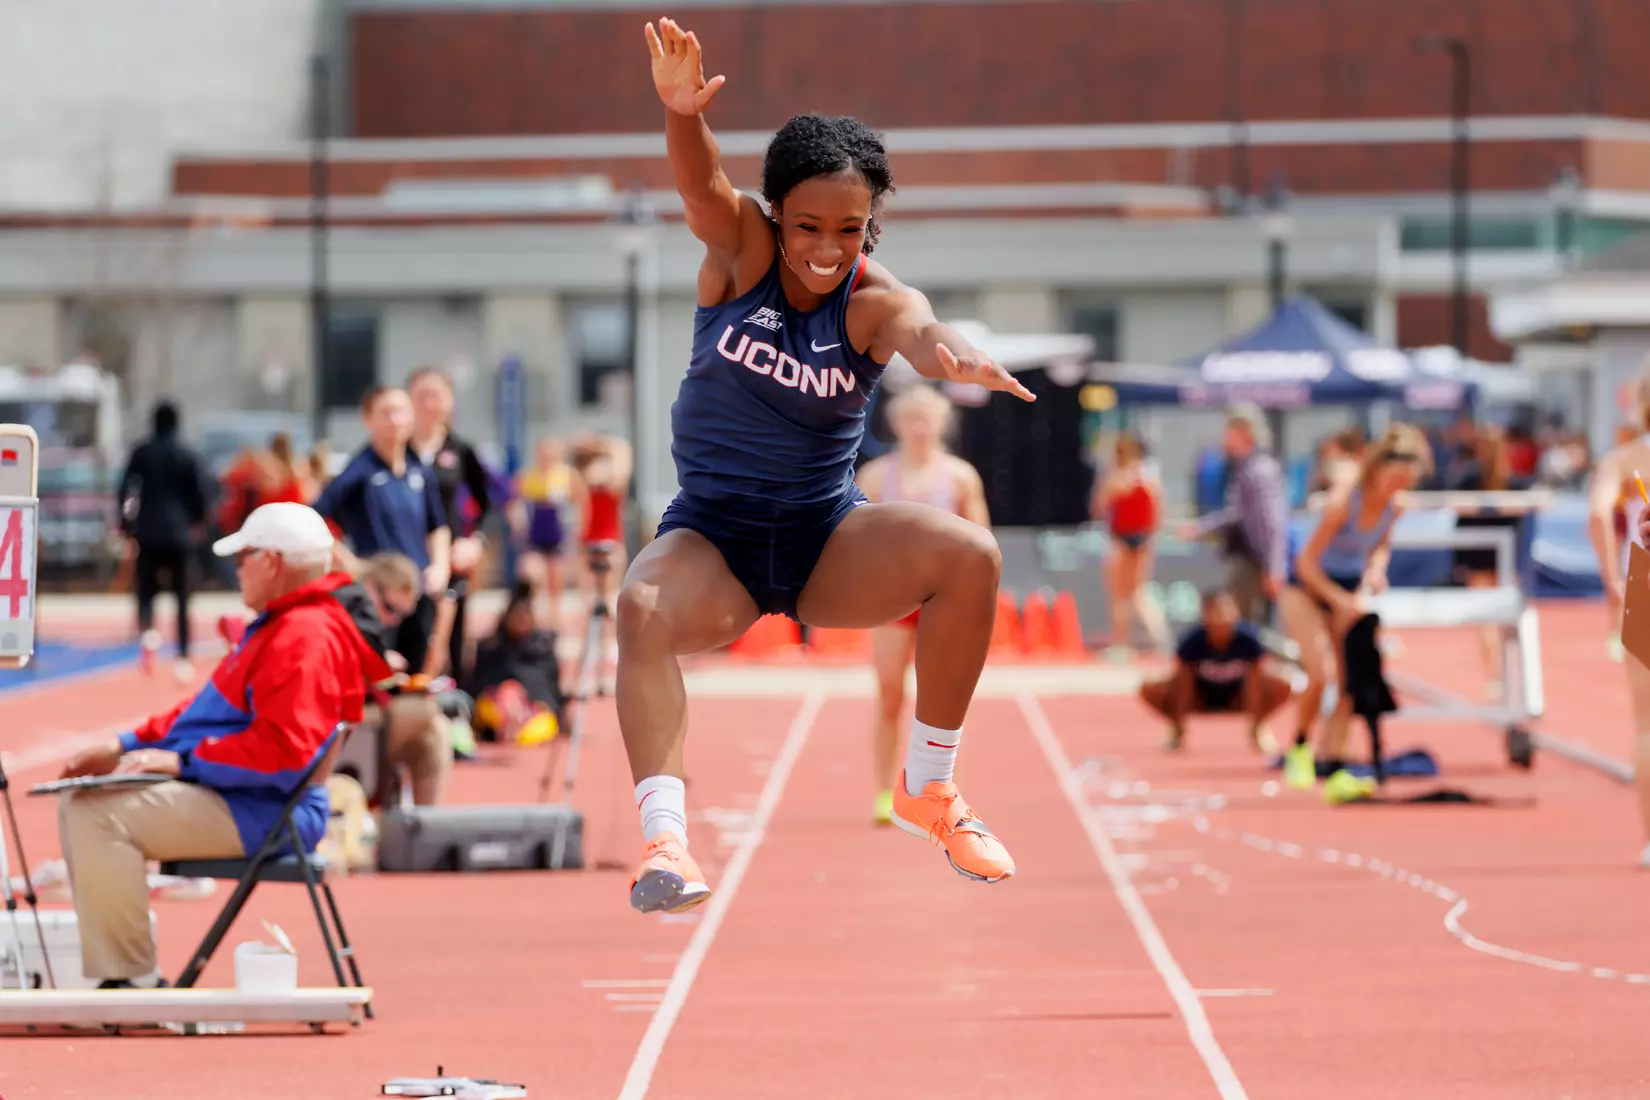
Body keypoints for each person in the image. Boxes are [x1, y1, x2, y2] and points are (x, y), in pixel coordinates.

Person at [618, 18, 1035, 915]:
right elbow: (702, 187)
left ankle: (929, 787)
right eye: (806, 224)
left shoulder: (875, 298)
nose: (824, 247)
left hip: (823, 541)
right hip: (716, 542)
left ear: (871, 227)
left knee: (970, 556)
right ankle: (667, 841)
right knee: (640, 606)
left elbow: (920, 333)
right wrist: (682, 115)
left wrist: (954, 356)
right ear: (776, 214)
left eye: (848, 230)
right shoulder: (742, 253)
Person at [54, 502, 392, 988]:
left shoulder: (303, 635)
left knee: (95, 812)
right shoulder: (287, 623)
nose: (235, 570)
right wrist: (124, 742)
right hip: (255, 798)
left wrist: (181, 761)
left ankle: (127, 981)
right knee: (89, 800)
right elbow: (204, 710)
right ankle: (124, 975)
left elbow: (282, 754)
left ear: (272, 562)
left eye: (243, 558)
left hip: (271, 810)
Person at [853, 384, 990, 826]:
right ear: (896, 424)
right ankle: (880, 790)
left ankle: (938, 790)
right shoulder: (875, 477)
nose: (919, 427)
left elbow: (981, 541)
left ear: (941, 423)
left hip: (943, 601)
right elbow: (851, 537)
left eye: (927, 418)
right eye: (911, 418)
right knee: (890, 694)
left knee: (941, 701)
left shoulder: (961, 477)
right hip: (891, 598)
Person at [1277, 423, 1432, 793]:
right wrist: (1338, 600)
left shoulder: (1394, 505)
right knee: (1320, 672)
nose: (1400, 486)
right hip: (1307, 587)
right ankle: (1299, 747)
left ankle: (1334, 762)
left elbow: (1380, 545)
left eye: (1407, 480)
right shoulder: (1344, 502)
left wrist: (1376, 570)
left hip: (1346, 589)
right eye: (1395, 478)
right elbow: (1306, 564)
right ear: (1377, 470)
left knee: (1350, 682)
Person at [314, 385, 453, 679]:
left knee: (420, 677)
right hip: (378, 601)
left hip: (418, 593)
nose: (394, 420)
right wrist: (352, 565)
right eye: (385, 412)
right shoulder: (358, 471)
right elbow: (313, 517)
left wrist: (440, 566)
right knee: (380, 677)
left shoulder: (419, 471)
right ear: (367, 419)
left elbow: (437, 525)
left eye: (400, 412)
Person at [1589, 378, 1650, 869]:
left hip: (1643, 579)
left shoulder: (1625, 460)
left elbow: (1595, 514)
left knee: (1646, 722)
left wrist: (1612, 578)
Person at [407, 367, 496, 680]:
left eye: (437, 395)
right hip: (405, 560)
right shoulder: (394, 450)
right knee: (409, 646)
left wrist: (475, 542)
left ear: (450, 402)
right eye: (421, 395)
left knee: (453, 646)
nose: (429, 403)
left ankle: (458, 714)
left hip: (450, 563)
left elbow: (490, 505)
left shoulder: (460, 450)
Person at [116, 400, 209, 682]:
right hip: (179, 533)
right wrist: (197, 522)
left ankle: (148, 633)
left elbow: (125, 487)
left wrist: (126, 524)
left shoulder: (142, 452)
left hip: (148, 530)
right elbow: (200, 492)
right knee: (182, 597)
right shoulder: (186, 453)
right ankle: (182, 655)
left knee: (146, 590)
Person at [1138, 589, 1291, 753]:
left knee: (1283, 685)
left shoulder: (1249, 640)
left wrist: (1255, 723)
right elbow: (1182, 684)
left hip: (1238, 697)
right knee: (1150, 689)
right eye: (1216, 611)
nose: (1222, 616)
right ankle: (1175, 730)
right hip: (1201, 697)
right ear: (1205, 615)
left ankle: (1260, 728)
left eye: (1227, 609)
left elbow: (1257, 681)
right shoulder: (1192, 642)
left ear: (1236, 612)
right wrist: (1180, 726)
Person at [1187, 405, 1289, 627]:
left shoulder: (1259, 470)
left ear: (1243, 432)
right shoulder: (1247, 467)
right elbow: (1238, 514)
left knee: (1243, 628)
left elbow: (1272, 523)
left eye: (1228, 431)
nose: (1223, 438)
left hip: (1256, 563)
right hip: (1250, 561)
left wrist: (1274, 567)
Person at [1091, 430, 1171, 659]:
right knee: (1137, 592)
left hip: (1123, 538)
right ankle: (1158, 638)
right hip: (1141, 538)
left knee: (1120, 594)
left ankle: (1123, 644)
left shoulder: (1120, 476)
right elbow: (1158, 511)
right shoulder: (1149, 475)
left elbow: (1098, 506)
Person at [513, 437, 588, 630]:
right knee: (534, 575)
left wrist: (580, 527)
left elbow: (582, 500)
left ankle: (554, 620)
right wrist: (519, 524)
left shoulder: (566, 475)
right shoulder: (529, 476)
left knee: (556, 579)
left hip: (558, 532)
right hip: (535, 532)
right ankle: (537, 619)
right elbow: (516, 501)